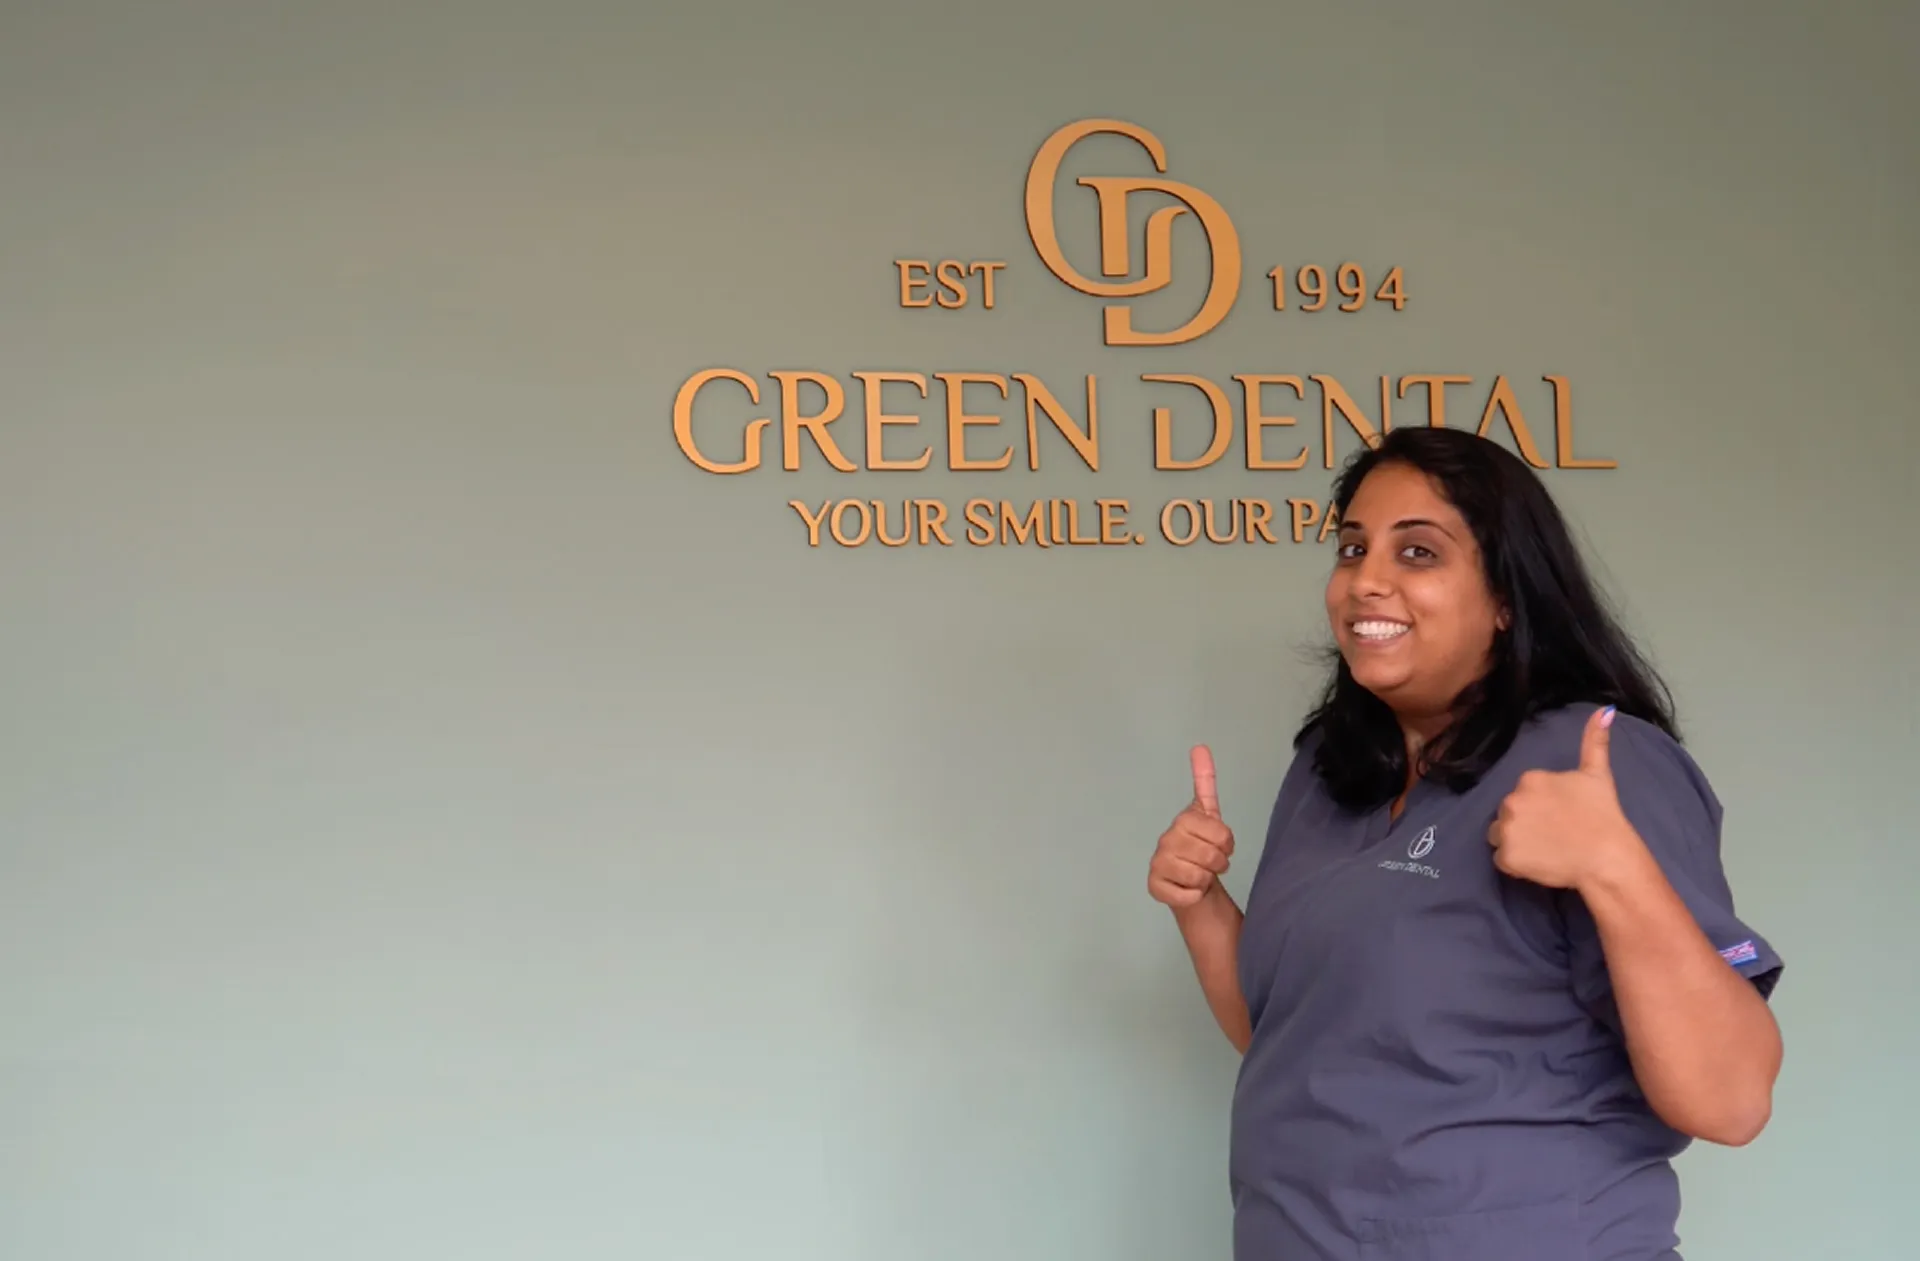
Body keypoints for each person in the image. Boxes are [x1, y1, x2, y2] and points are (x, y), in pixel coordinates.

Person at [1147, 427, 1784, 1261]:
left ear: (1507, 597)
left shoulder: (1596, 756)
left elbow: (1730, 1101)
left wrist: (1614, 866)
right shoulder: (1328, 770)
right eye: (1352, 547)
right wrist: (1201, 906)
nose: (1366, 580)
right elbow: (1294, 1041)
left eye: (1417, 552)